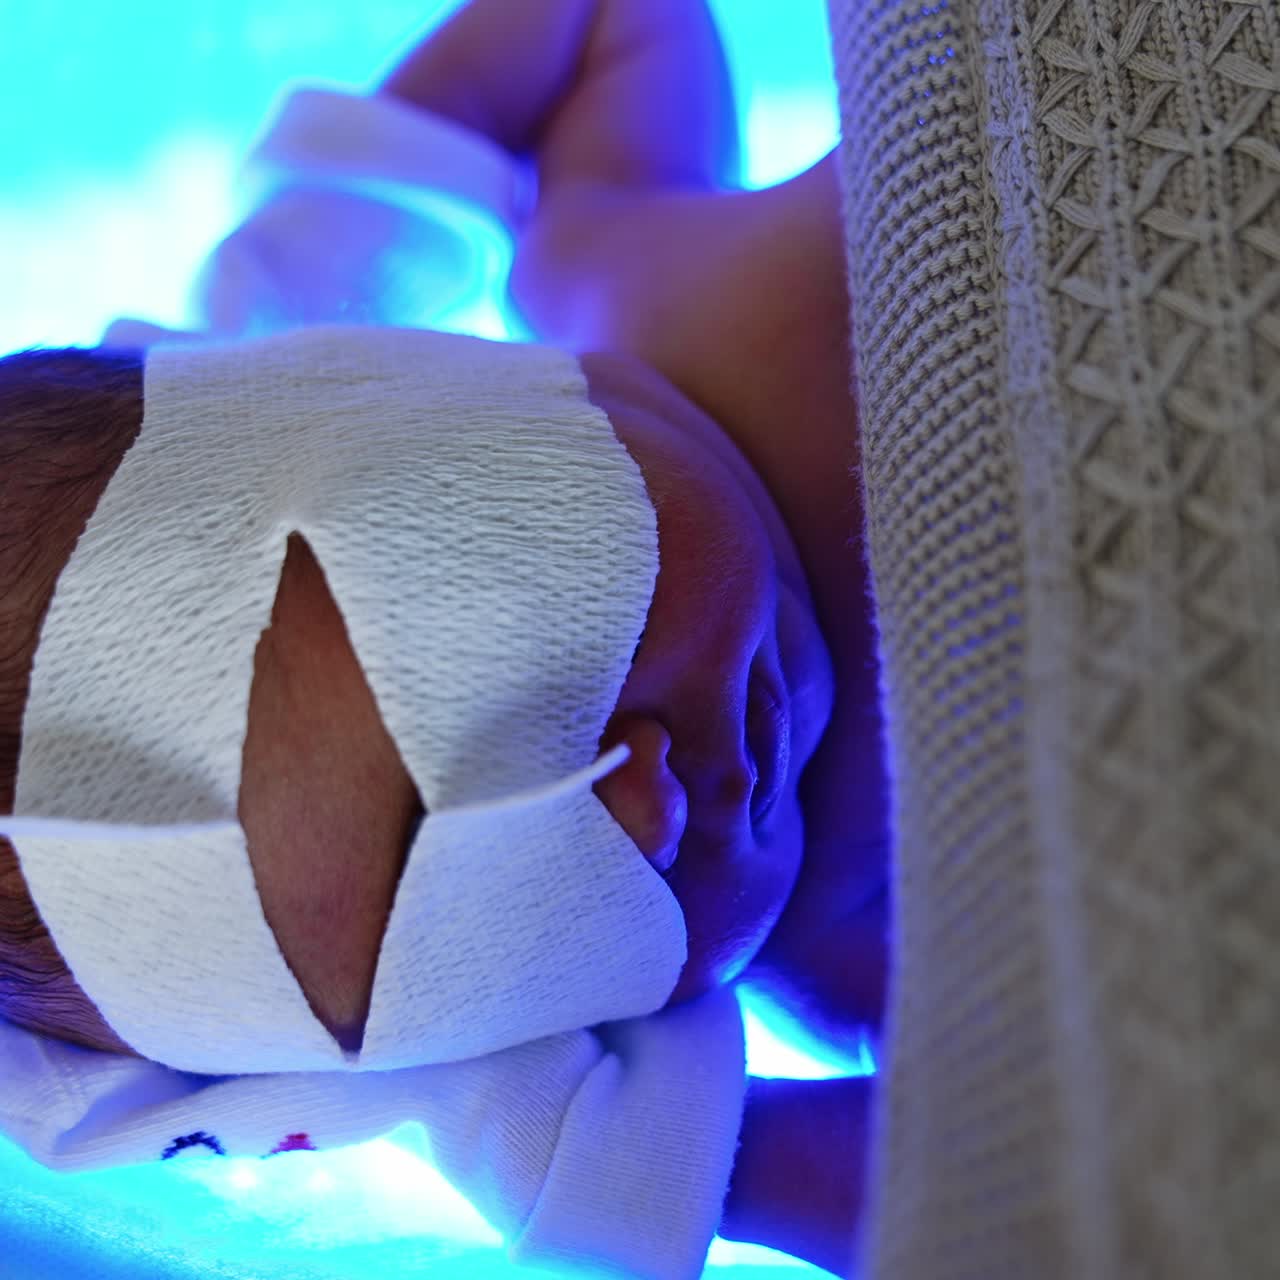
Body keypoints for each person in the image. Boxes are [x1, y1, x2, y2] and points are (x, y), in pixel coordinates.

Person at [0, 2, 885, 1275]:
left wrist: (381, 179)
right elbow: (1009, 1186)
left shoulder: (626, 257)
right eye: (523, 919)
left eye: (504, 622)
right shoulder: (857, 967)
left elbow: (595, 25)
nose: (646, 800)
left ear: (385, 379)